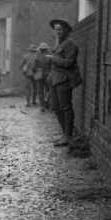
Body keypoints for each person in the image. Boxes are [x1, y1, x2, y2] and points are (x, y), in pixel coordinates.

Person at [46, 18, 81, 147]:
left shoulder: (70, 44)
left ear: (66, 30)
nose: (58, 32)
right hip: (55, 79)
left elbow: (69, 63)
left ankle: (68, 136)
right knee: (55, 107)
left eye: (60, 29)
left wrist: (53, 58)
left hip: (64, 79)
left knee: (66, 107)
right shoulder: (58, 44)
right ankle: (64, 134)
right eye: (56, 30)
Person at [31, 42, 51, 111]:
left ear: (40, 49)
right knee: (49, 90)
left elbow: (33, 67)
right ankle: (47, 102)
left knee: (40, 91)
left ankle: (42, 106)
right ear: (46, 49)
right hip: (48, 75)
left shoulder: (37, 57)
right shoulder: (50, 56)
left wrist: (35, 71)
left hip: (39, 76)